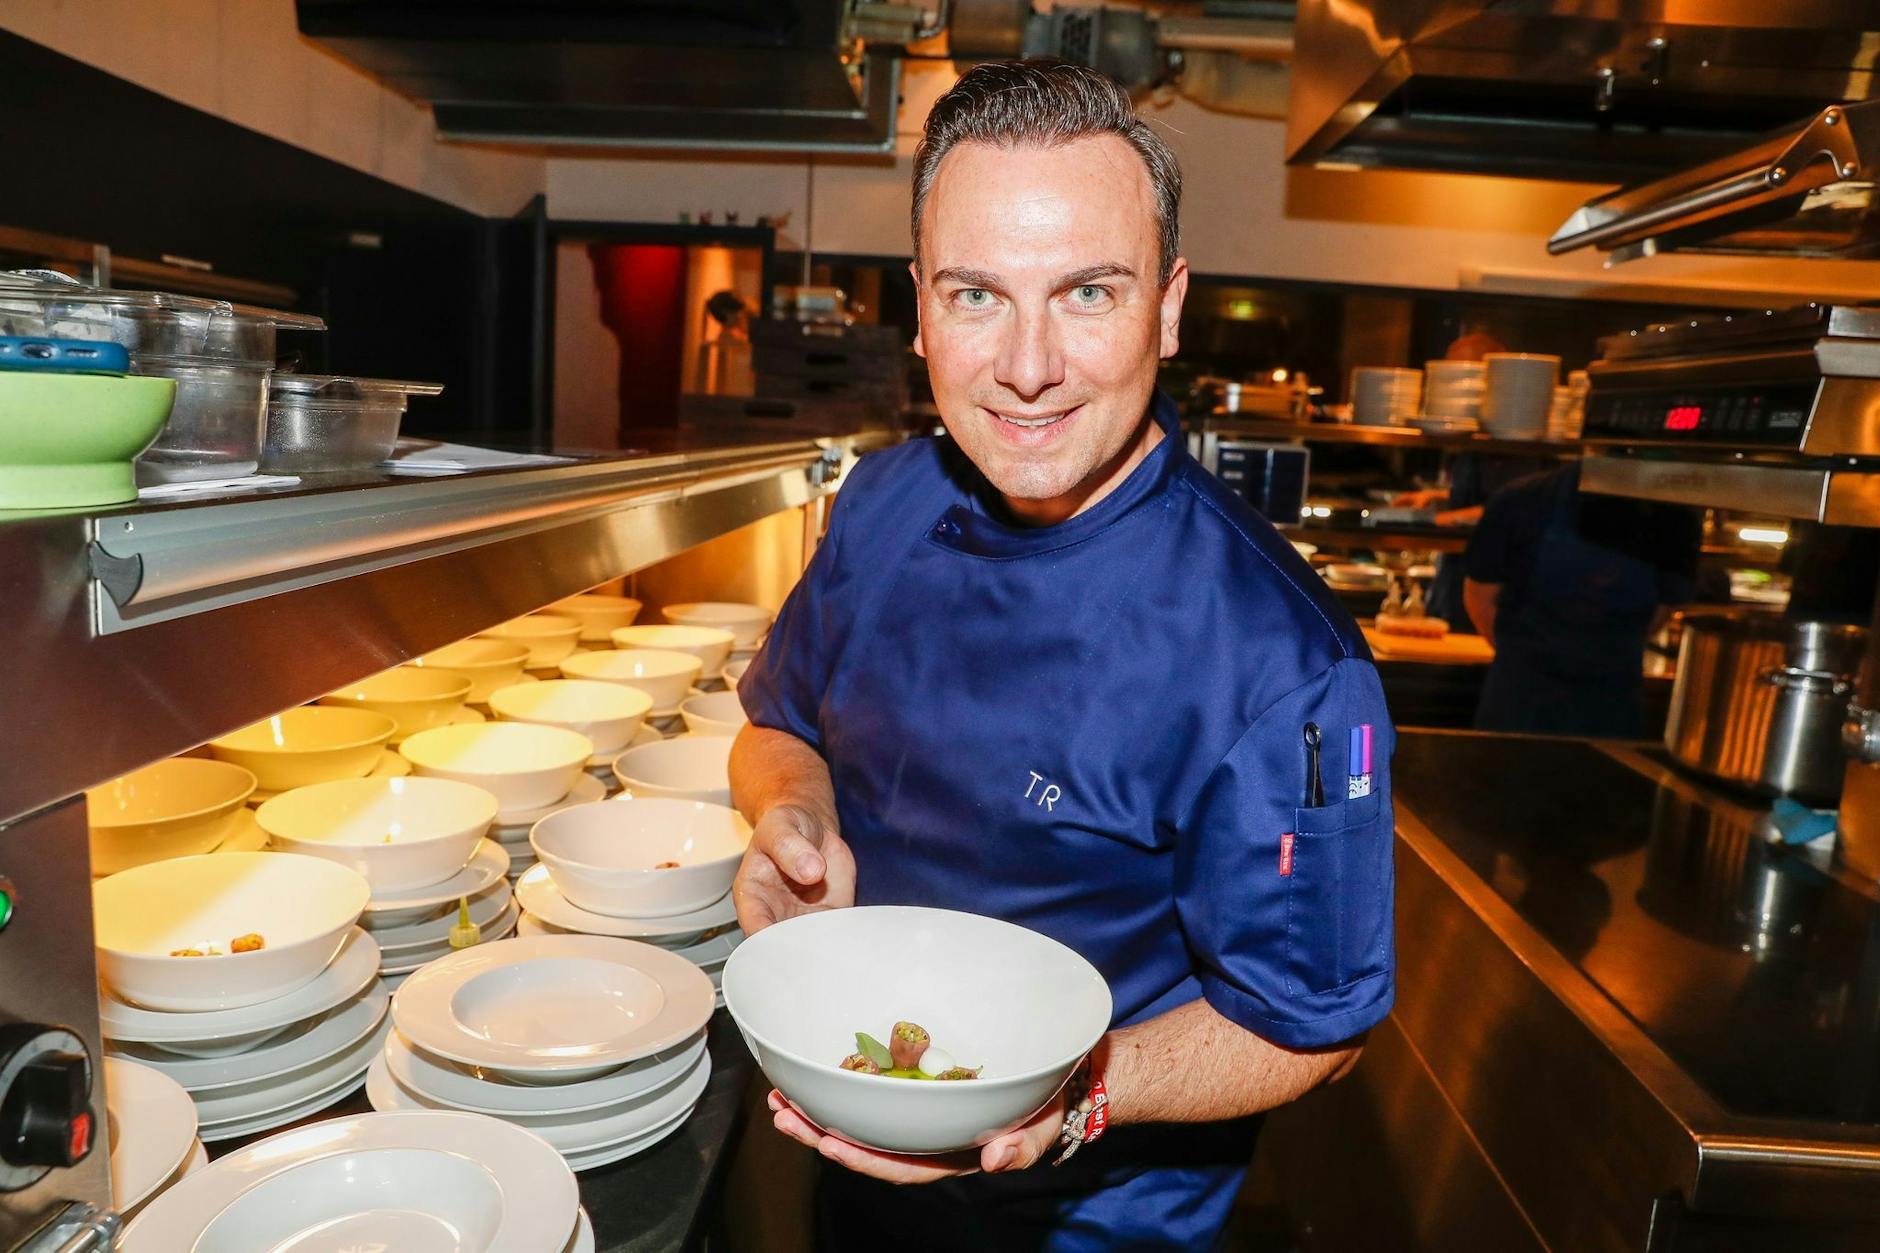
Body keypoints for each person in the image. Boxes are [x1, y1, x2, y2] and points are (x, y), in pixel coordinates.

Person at [729, 60, 1395, 1251]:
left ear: (1167, 307)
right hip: (852, 1134)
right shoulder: (879, 504)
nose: (1027, 366)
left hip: (1094, 1213)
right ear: (919, 310)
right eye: (975, 294)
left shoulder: (1285, 666)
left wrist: (1073, 1091)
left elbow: (1313, 1028)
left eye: (1087, 292)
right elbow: (777, 724)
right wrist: (793, 817)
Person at [1464, 462, 1701, 737]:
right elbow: (1478, 598)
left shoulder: (1522, 497)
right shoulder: (1676, 515)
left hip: (1601, 702)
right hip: (1531, 697)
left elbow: (1479, 599)